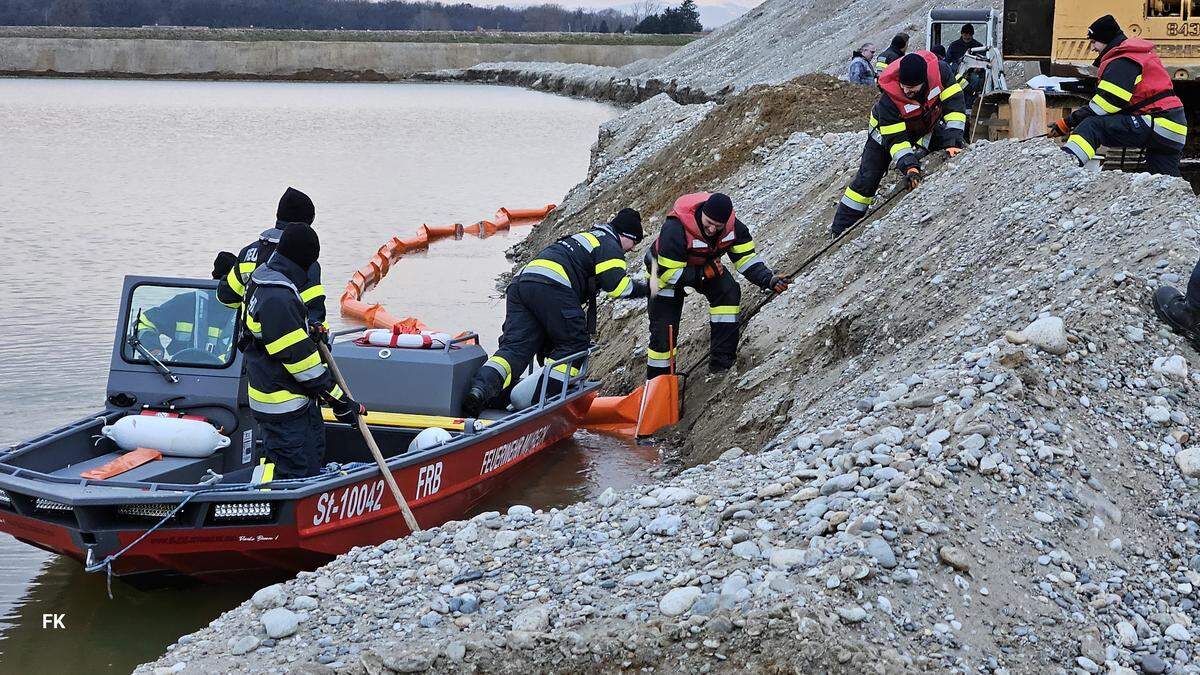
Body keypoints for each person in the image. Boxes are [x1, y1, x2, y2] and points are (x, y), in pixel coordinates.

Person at [462, 209, 649, 417]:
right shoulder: (609, 244)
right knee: (574, 345)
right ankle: (541, 402)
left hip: (522, 283)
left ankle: (479, 391)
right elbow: (618, 287)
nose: (630, 251)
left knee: (514, 350)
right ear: (627, 236)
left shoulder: (586, 238)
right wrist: (650, 289)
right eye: (633, 245)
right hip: (552, 286)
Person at [242, 225, 364, 480]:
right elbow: (303, 366)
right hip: (287, 409)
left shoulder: (262, 278)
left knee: (291, 465)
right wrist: (340, 402)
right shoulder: (279, 297)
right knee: (298, 476)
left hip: (276, 400)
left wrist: (307, 330)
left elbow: (266, 338)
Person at [645, 193, 788, 378]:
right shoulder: (674, 229)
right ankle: (659, 386)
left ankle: (721, 365)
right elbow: (667, 273)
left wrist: (768, 279)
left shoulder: (734, 228)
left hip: (706, 268)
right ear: (701, 213)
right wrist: (703, 274)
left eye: (717, 226)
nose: (712, 229)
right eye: (708, 223)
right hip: (664, 278)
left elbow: (746, 259)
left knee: (728, 292)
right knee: (664, 334)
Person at [831, 52, 967, 238]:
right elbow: (897, 141)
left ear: (924, 80)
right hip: (883, 135)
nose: (906, 90)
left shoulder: (942, 73)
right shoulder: (889, 100)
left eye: (912, 87)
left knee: (957, 147)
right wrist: (910, 167)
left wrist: (953, 142)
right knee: (867, 180)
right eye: (903, 85)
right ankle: (840, 230)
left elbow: (955, 108)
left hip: (923, 127)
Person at [1048, 15, 1187, 177]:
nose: (1092, 48)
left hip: (1158, 123)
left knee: (1092, 126)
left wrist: (1067, 123)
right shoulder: (1135, 55)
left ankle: (1063, 171)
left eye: (1094, 42)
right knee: (1164, 182)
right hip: (1173, 127)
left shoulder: (1123, 60)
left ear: (1106, 39)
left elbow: (1105, 105)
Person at [217, 187, 328, 343]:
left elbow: (227, 298)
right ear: (307, 223)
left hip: (250, 352)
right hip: (287, 351)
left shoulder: (248, 252)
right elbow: (314, 314)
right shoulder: (304, 260)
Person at [137, 251, 239, 362]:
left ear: (213, 276)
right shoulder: (185, 303)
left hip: (223, 377)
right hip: (175, 374)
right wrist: (153, 350)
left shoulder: (240, 311)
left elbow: (238, 358)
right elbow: (144, 322)